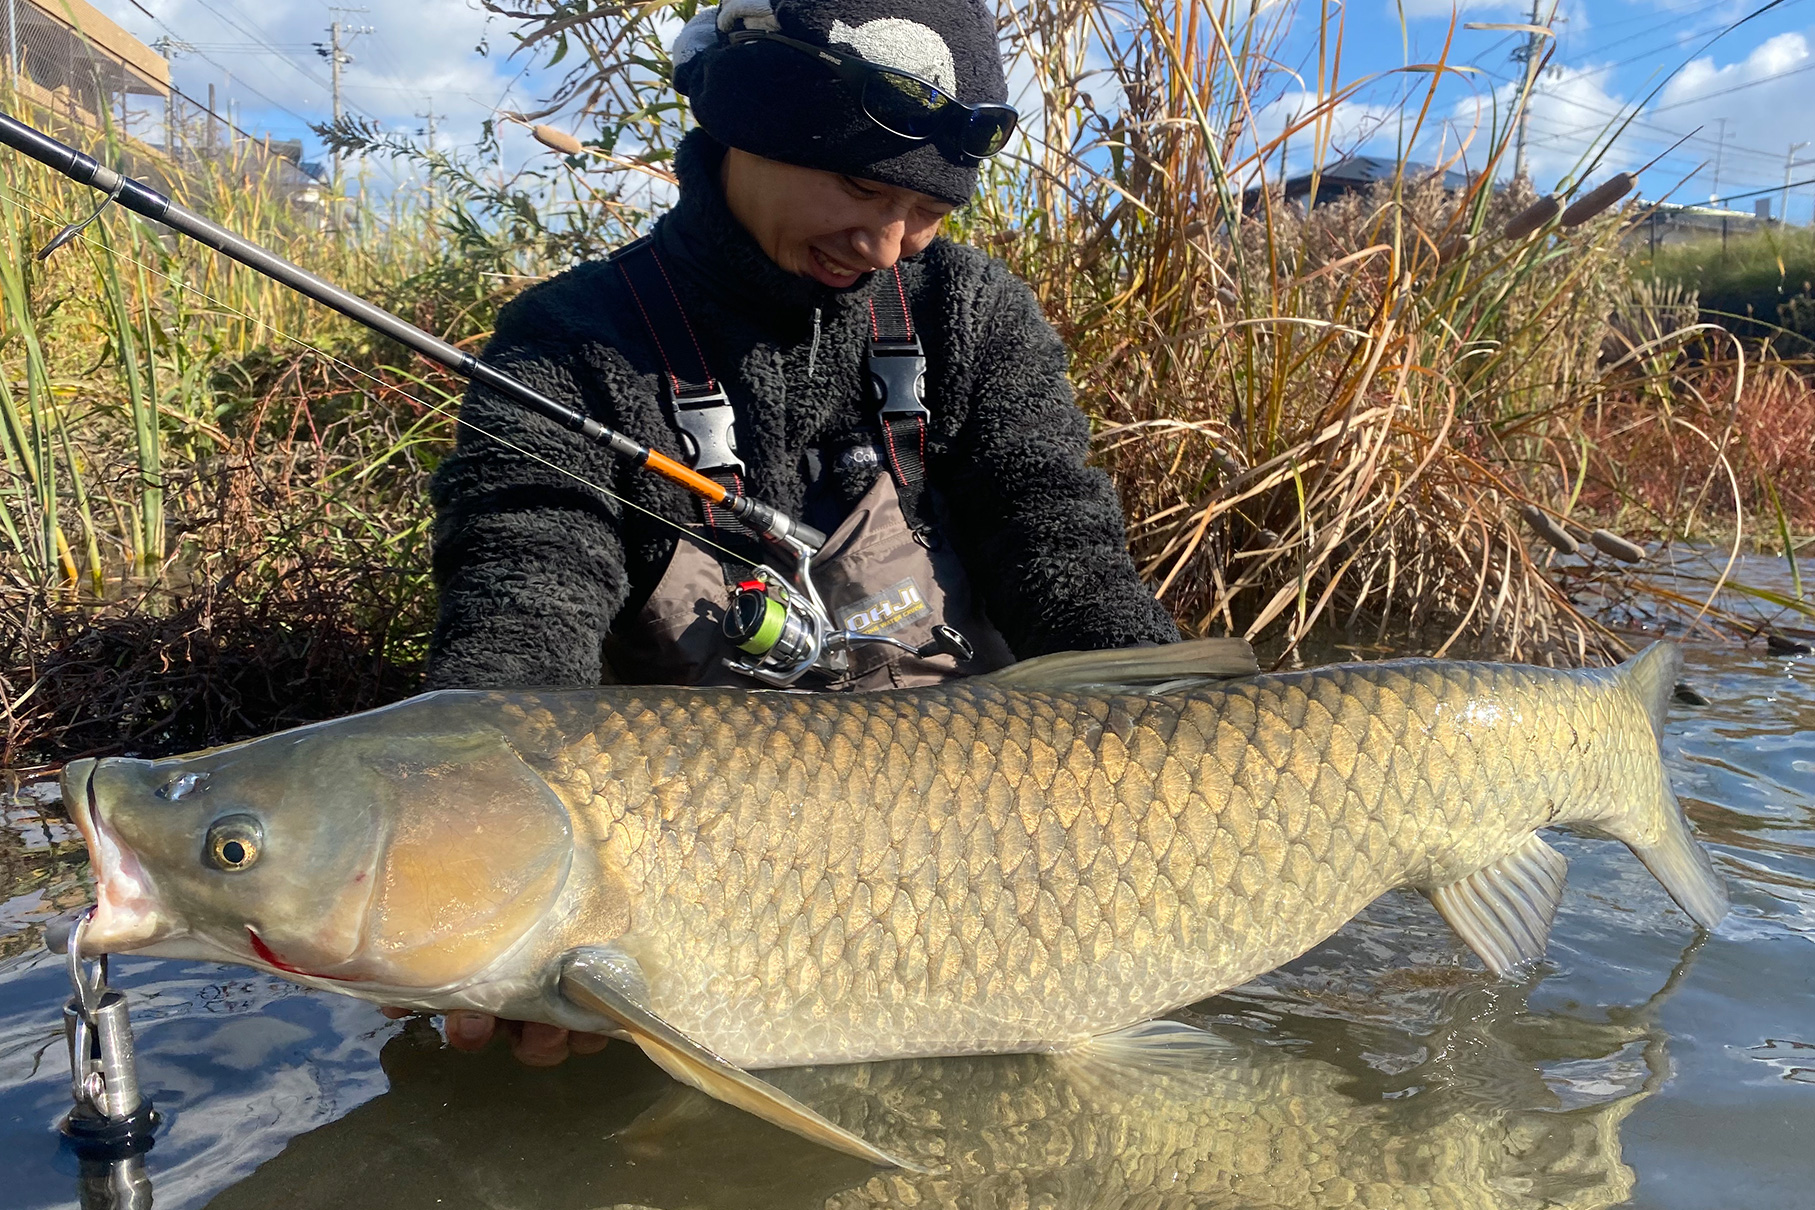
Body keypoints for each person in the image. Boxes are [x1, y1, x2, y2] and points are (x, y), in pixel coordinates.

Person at [411, 0, 1179, 1063]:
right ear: (745, 124)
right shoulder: (570, 342)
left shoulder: (968, 312)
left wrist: (1190, 748)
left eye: (928, 209)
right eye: (862, 186)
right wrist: (482, 857)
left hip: (1003, 847)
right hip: (711, 882)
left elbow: (1061, 546)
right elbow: (523, 600)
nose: (885, 243)